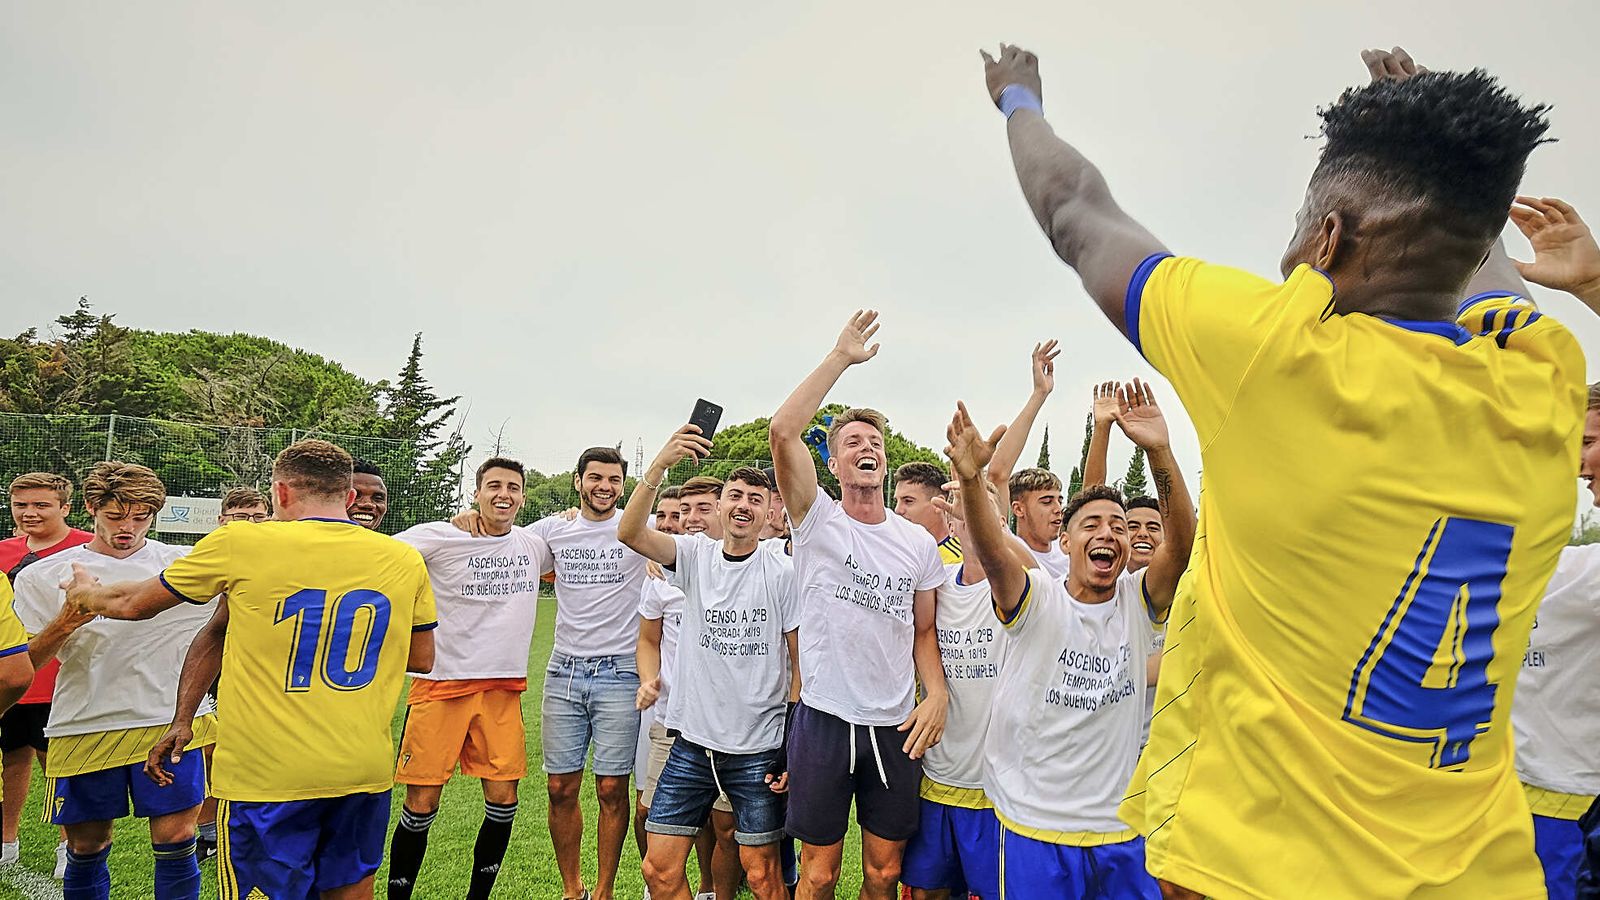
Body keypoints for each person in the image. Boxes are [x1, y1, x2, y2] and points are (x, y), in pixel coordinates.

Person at [980, 42, 1580, 897]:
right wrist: (1441, 154)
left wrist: (1017, 102)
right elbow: (1487, 277)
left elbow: (1076, 210)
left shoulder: (1276, 357)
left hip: (1263, 872)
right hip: (1478, 871)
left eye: (1303, 219)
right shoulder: (1545, 384)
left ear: (1328, 238)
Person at [68, 439, 437, 900]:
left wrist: (85, 594)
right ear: (348, 498)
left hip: (267, 774)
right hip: (362, 769)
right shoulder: (403, 558)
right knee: (350, 891)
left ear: (280, 493)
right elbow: (421, 658)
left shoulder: (242, 542)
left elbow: (132, 603)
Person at [949, 381, 1194, 898]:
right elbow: (994, 555)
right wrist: (972, 482)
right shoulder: (1038, 596)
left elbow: (1182, 544)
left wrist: (1159, 450)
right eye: (1092, 524)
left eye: (1119, 526)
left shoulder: (1136, 600)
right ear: (1066, 541)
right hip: (1035, 825)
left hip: (1121, 828)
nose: (1108, 533)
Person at [768, 310, 948, 900]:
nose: (865, 448)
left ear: (886, 461)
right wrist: (840, 357)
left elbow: (924, 632)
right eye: (852, 443)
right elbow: (782, 431)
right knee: (818, 874)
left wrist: (938, 693)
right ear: (836, 463)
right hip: (823, 717)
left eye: (874, 442)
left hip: (893, 723)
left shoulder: (917, 542)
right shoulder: (815, 518)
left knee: (884, 873)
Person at [11, 463, 215, 900]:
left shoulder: (181, 565)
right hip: (85, 721)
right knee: (86, 845)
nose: (128, 527)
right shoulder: (43, 574)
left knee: (178, 838)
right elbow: (25, 662)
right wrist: (66, 621)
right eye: (117, 516)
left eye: (141, 517)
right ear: (91, 508)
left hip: (168, 719)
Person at [458, 445, 649, 900]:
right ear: (578, 481)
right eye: (596, 478)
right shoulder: (551, 532)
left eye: (614, 480)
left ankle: (603, 890)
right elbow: (502, 543)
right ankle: (573, 890)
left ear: (623, 486)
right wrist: (467, 521)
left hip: (621, 673)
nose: (605, 487)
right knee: (560, 787)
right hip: (563, 671)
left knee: (610, 788)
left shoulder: (638, 529)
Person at [621, 431, 799, 900]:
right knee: (659, 870)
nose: (743, 505)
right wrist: (658, 466)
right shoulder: (695, 557)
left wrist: (791, 743)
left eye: (755, 499)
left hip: (757, 750)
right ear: (720, 508)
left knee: (762, 876)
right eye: (735, 496)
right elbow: (630, 532)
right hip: (692, 746)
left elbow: (800, 665)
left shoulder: (782, 570)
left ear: (767, 514)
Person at [385, 457, 553, 900]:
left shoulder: (534, 545)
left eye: (514, 487)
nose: (504, 494)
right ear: (476, 492)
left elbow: (587, 545)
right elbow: (378, 556)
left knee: (503, 801)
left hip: (501, 691)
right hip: (442, 688)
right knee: (422, 804)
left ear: (523, 495)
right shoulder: (443, 535)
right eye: (494, 485)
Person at [1505, 197, 1600, 900]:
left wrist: (1595, 290)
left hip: (1562, 820)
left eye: (1589, 443)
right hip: (1492, 804)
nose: (1579, 465)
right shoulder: (1560, 568)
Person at [900, 475, 1008, 900]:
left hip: (996, 788)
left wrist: (983, 519)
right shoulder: (936, 585)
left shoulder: (1022, 589)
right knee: (928, 890)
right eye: (963, 513)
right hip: (937, 776)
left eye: (983, 513)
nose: (971, 521)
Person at [0, 472, 91, 873]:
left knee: (58, 764)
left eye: (41, 505)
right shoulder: (3, 551)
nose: (29, 513)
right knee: (10, 759)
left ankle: (67, 848)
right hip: (8, 678)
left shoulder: (87, 549)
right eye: (21, 505)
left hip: (61, 678)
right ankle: (6, 843)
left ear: (65, 508)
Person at [981, 342, 1066, 579]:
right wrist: (1040, 394)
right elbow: (998, 473)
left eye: (1059, 500)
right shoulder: (1009, 548)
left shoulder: (1072, 555)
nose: (1058, 509)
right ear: (1017, 509)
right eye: (1047, 501)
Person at [892, 463, 962, 564]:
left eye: (908, 501)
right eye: (896, 501)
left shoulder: (959, 562)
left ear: (938, 504)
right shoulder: (897, 555)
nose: (898, 510)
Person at [349, 457, 389, 531]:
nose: (368, 504)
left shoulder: (394, 542)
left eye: (378, 498)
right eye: (355, 496)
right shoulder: (321, 540)